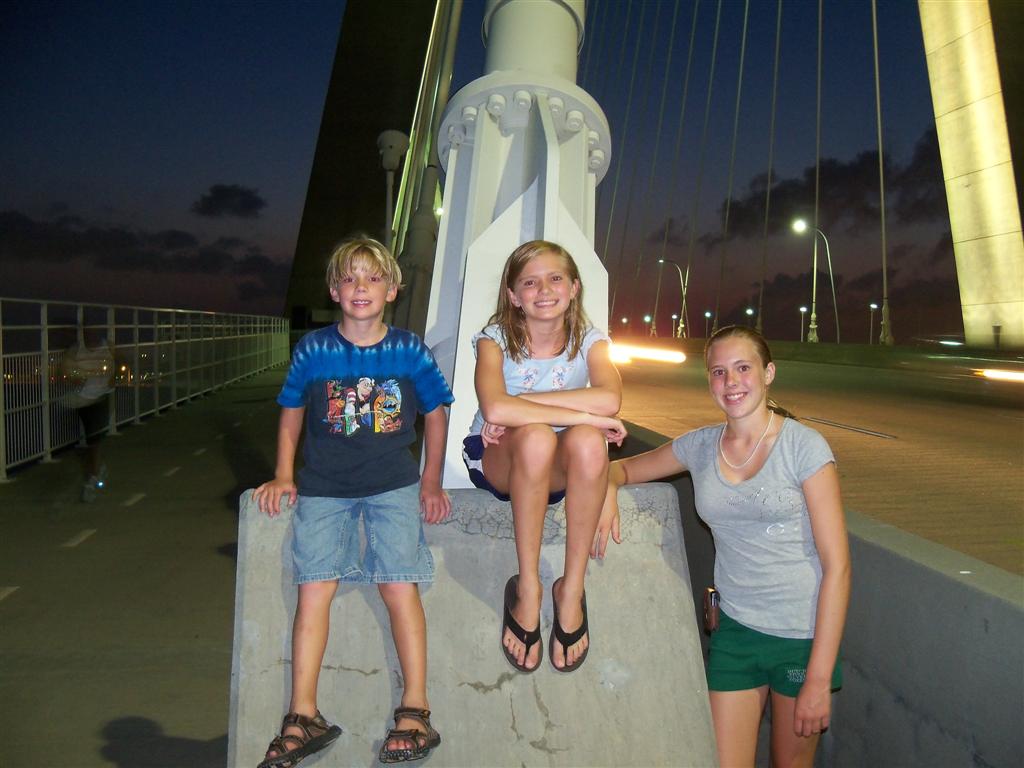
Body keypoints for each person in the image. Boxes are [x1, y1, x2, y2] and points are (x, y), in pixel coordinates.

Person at [600, 325, 850, 768]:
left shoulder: (804, 448)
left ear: (768, 373)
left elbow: (838, 568)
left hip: (801, 636)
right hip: (735, 631)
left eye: (743, 368)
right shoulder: (699, 446)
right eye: (719, 372)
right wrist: (606, 493)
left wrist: (818, 676)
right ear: (710, 382)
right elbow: (621, 470)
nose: (731, 382)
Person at [252, 237, 454, 767]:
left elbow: (436, 414)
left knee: (399, 585)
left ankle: (415, 710)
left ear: (392, 289)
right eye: (349, 278)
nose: (360, 287)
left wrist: (430, 482)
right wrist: (283, 474)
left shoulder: (409, 349)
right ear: (334, 290)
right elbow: (292, 410)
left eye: (372, 278)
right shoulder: (314, 349)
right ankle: (303, 715)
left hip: (392, 484)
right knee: (313, 590)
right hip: (324, 486)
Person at [462, 239, 627, 674]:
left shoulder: (591, 341)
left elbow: (609, 399)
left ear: (574, 288)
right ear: (514, 295)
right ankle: (529, 586)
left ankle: (571, 589)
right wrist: (579, 413)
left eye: (555, 278)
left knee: (589, 442)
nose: (544, 289)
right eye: (530, 282)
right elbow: (495, 408)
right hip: (502, 457)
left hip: (557, 466)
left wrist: (524, 402)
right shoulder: (494, 340)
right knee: (537, 437)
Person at [60, 326, 115, 502]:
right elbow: (65, 370)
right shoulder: (76, 350)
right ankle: (97, 469)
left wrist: (112, 379)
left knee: (94, 440)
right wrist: (73, 377)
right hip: (82, 400)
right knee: (86, 443)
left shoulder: (108, 347)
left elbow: (120, 362)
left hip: (101, 399)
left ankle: (91, 481)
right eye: (86, 334)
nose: (89, 336)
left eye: (92, 333)